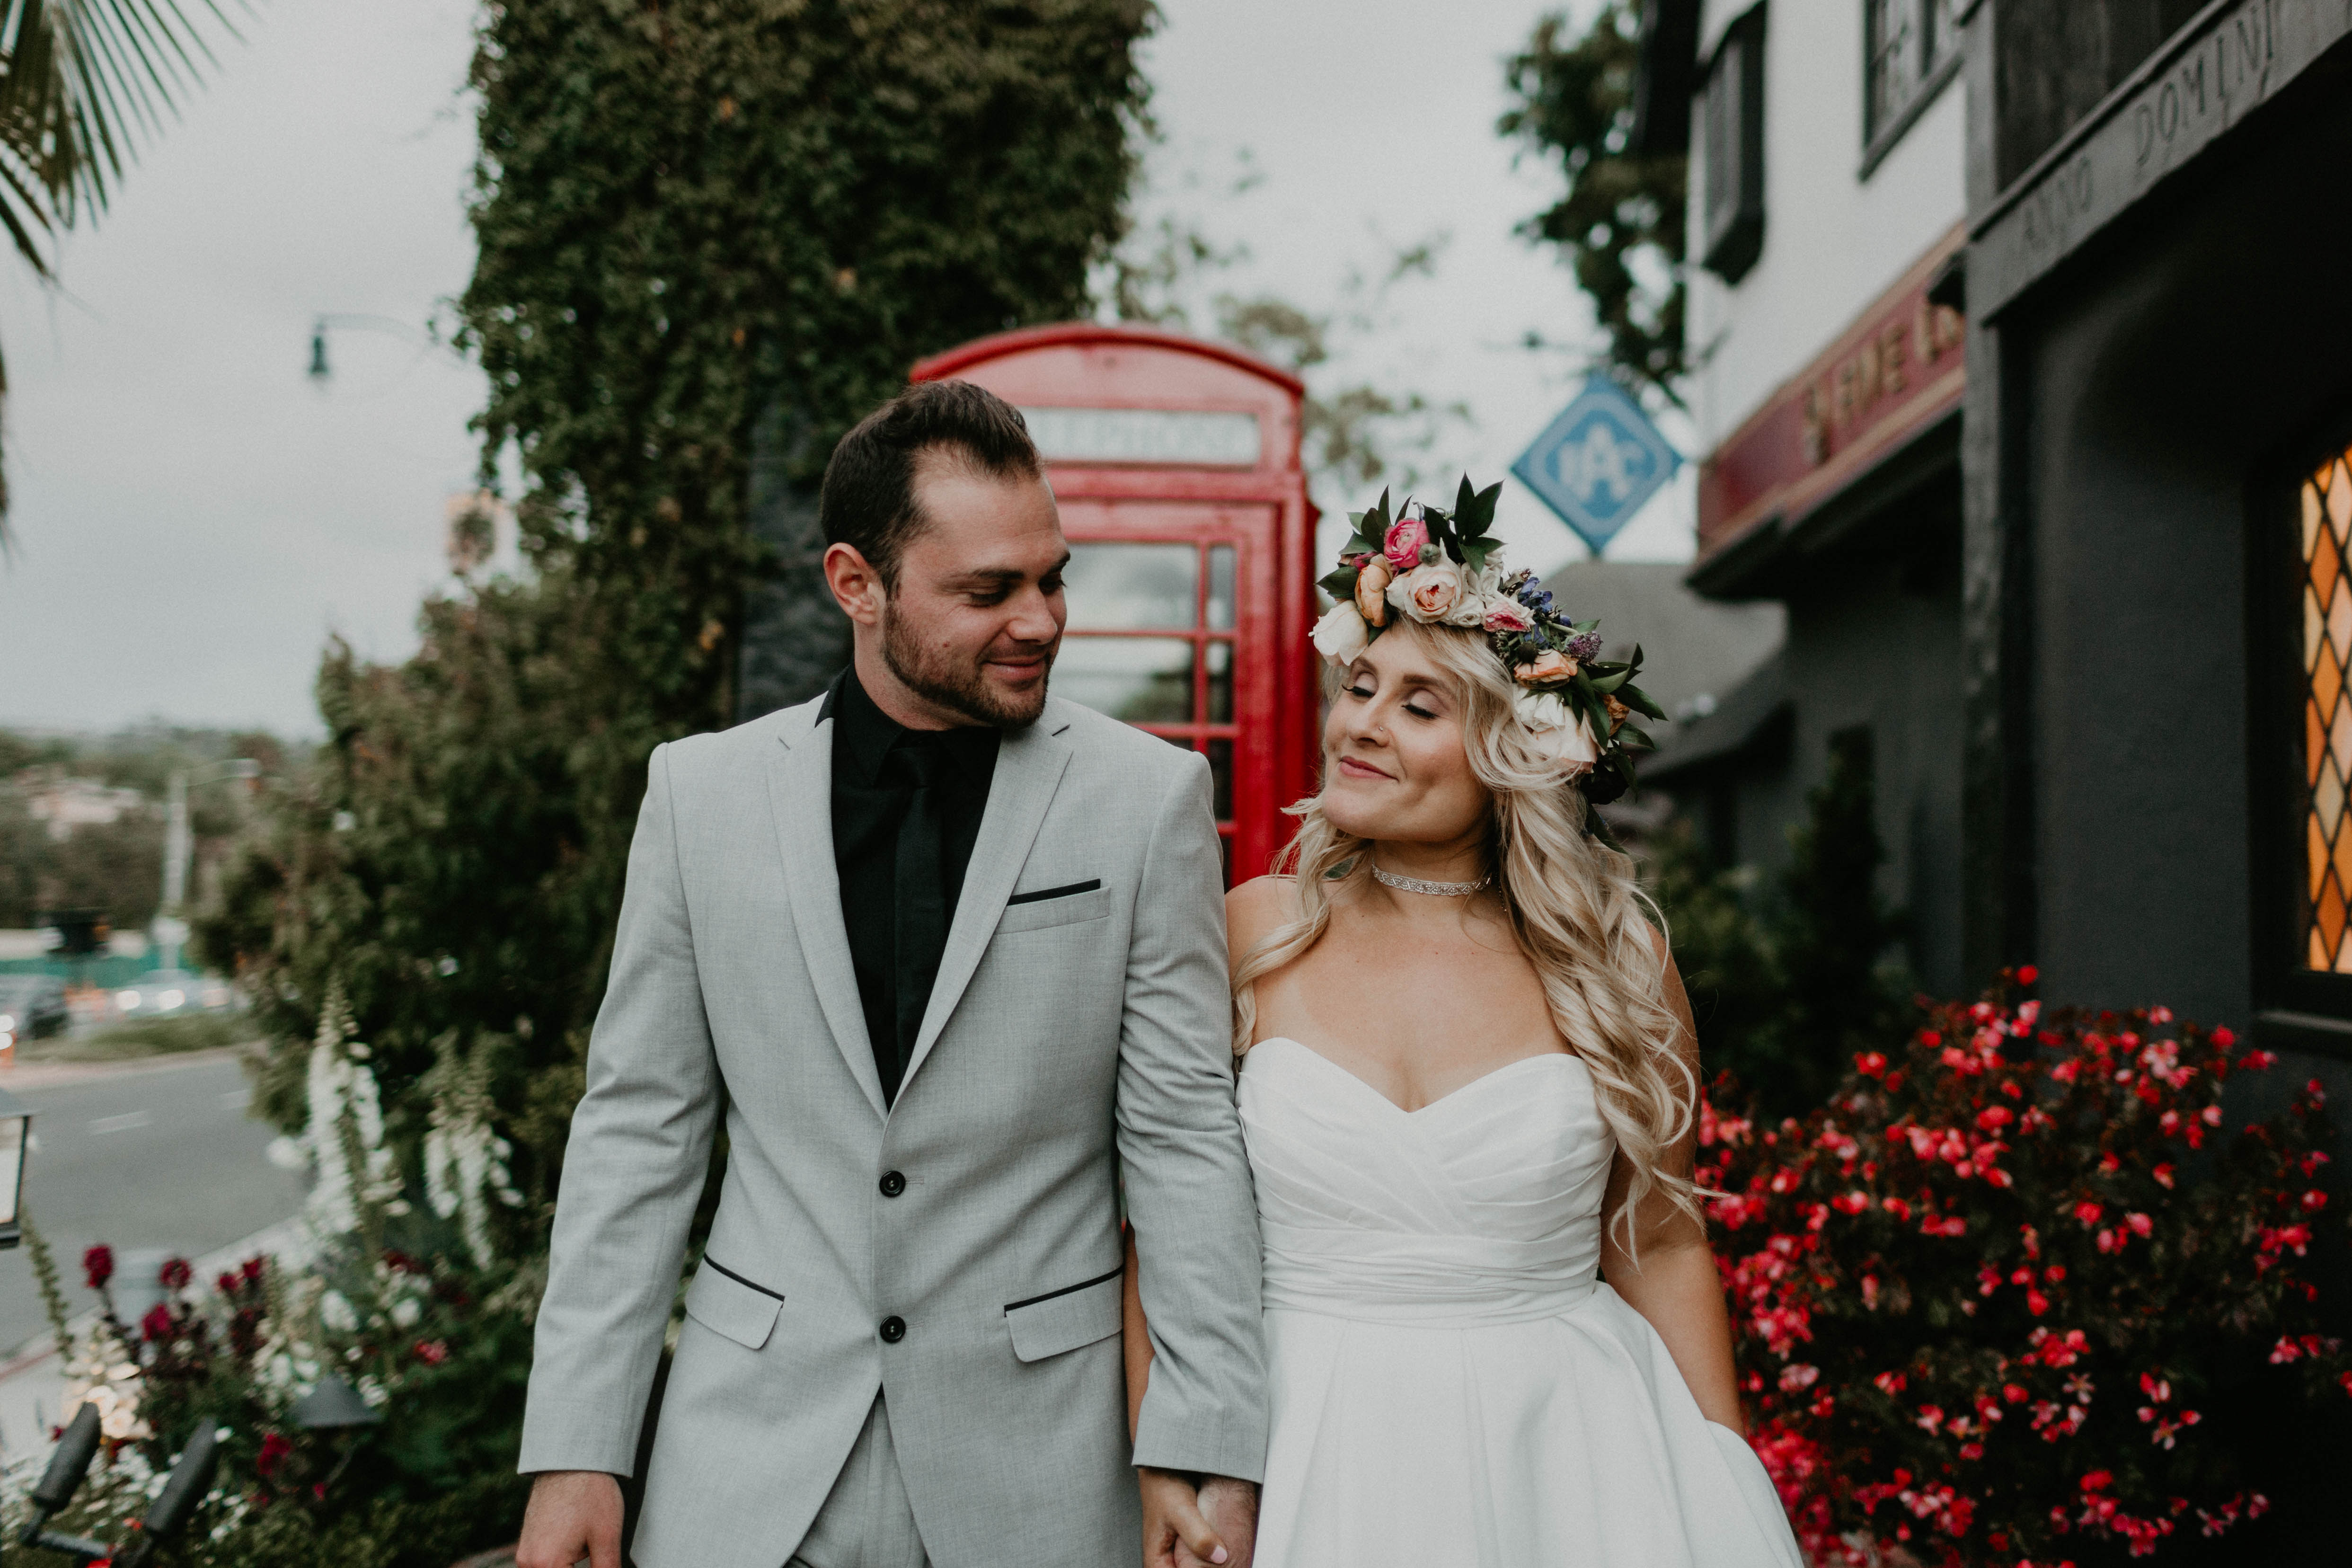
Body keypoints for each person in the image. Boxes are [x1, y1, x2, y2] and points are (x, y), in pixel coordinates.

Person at [515, 380, 1266, 1568]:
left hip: (1040, 1477)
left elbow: (1182, 1139)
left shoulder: (1147, 799)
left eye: (1051, 577)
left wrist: (1210, 1438)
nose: (1041, 621)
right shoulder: (698, 796)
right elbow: (639, 1133)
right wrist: (577, 1449)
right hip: (746, 1471)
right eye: (987, 591)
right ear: (856, 585)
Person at [1123, 487, 1804, 1566]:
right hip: (1301, 1451)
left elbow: (1662, 1241)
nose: (1359, 724)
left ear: (1514, 750)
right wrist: (1167, 1451)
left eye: (1419, 706)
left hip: (1571, 1457)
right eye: (1359, 685)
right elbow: (1161, 1225)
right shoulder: (1253, 931)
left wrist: (1723, 1472)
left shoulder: (1615, 961)